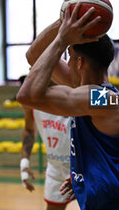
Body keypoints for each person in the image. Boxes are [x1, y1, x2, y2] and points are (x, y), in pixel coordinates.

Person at [17, 2, 119, 210]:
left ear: (79, 63)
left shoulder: (103, 98)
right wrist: (65, 19)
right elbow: (34, 57)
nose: (66, 62)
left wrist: (61, 39)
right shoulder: (88, 93)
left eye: (68, 56)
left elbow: (27, 95)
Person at [19, 76, 73, 210]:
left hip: (83, 167)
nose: (34, 71)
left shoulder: (77, 91)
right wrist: (24, 163)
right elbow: (29, 130)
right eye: (31, 67)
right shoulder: (29, 100)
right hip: (56, 168)